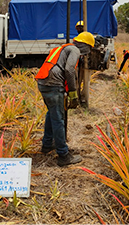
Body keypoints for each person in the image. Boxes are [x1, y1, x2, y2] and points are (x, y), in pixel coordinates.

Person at [35, 31, 95, 167]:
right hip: (53, 85)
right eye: (89, 48)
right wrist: (73, 93)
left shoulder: (62, 48)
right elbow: (69, 70)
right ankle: (63, 155)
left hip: (43, 82)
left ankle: (47, 144)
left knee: (51, 114)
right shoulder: (74, 50)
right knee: (58, 119)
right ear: (85, 45)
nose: (87, 52)